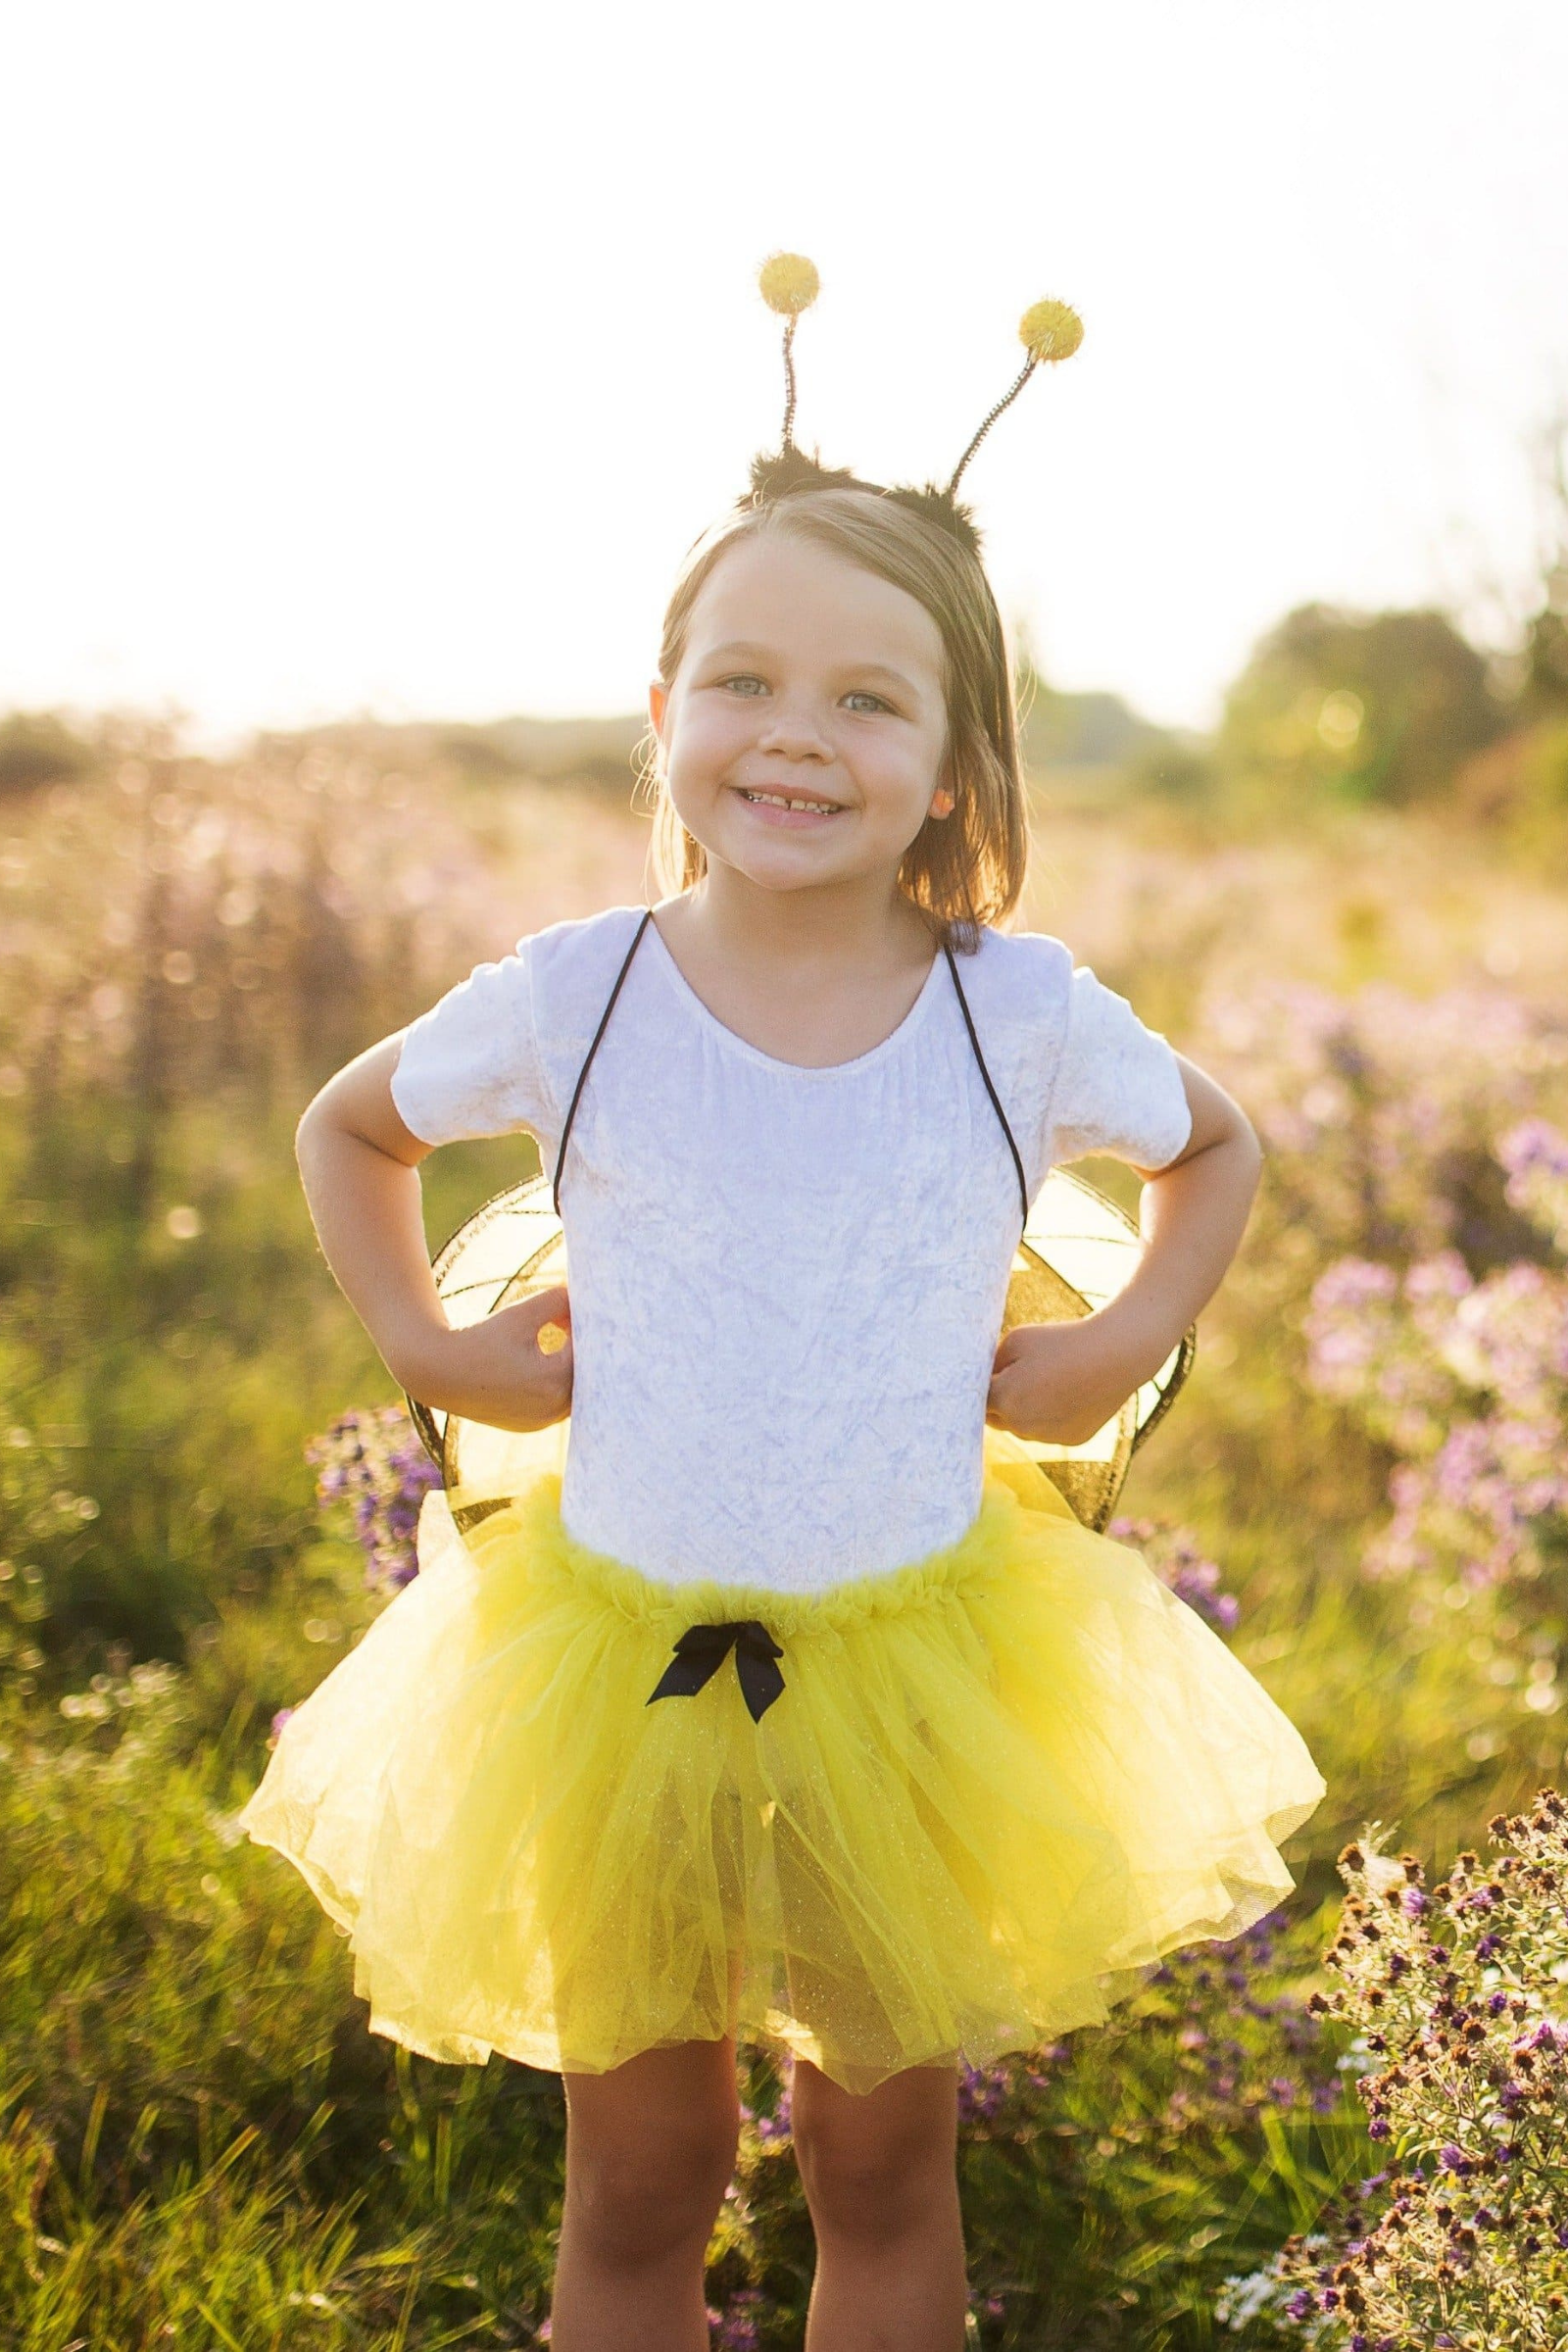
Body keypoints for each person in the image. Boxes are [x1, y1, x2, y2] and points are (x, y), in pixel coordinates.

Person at [237, 258, 1327, 2352]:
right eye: (741, 681)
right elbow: (347, 1127)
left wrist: (1120, 1344)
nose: (794, 736)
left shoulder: (1018, 1014)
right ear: (662, 717)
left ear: (953, 766)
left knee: (879, 2165)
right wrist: (430, 1348)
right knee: (638, 2177)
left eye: (865, 701)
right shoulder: (580, 994)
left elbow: (1219, 1150)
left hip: (912, 1665)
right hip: (615, 1666)